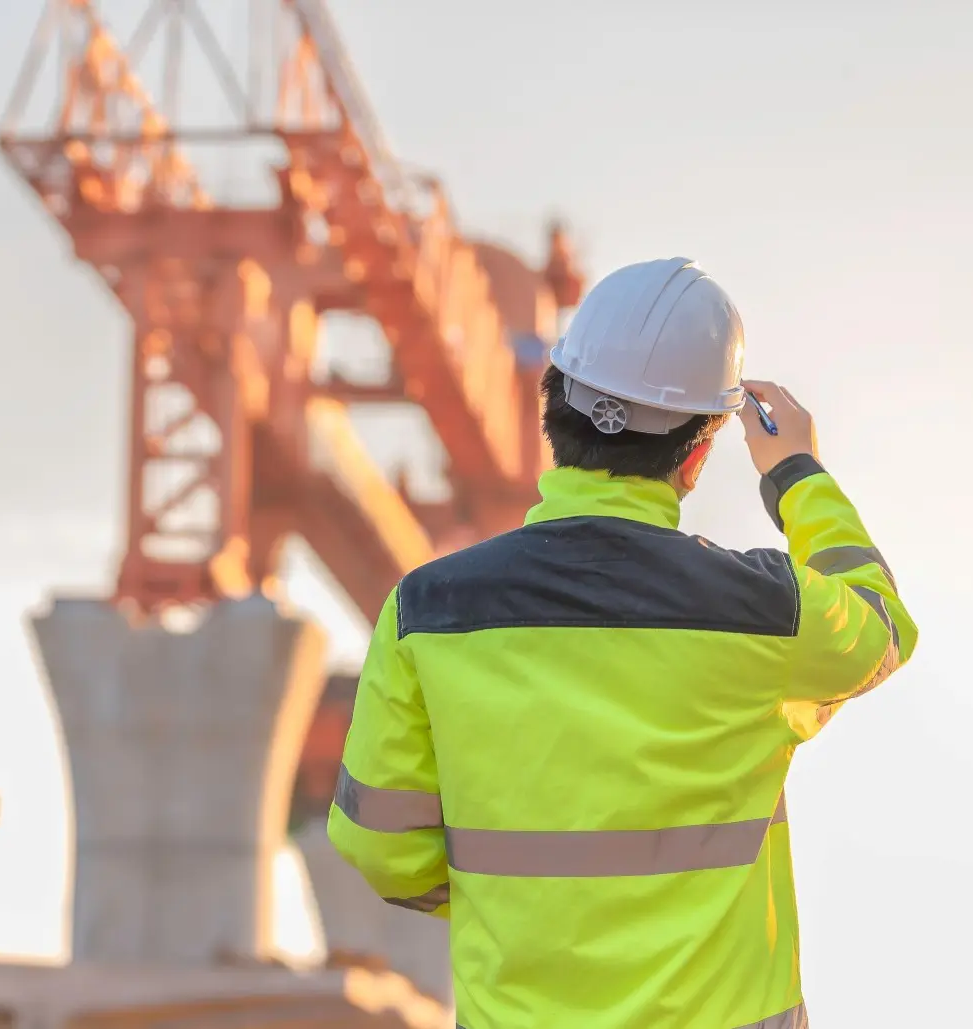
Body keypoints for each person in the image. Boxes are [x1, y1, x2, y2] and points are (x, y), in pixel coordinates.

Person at [327, 257, 917, 1029]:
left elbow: (380, 847)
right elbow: (878, 623)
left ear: (552, 411)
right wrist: (798, 474)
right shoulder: (762, 610)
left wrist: (522, 905)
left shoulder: (426, 612)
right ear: (699, 454)